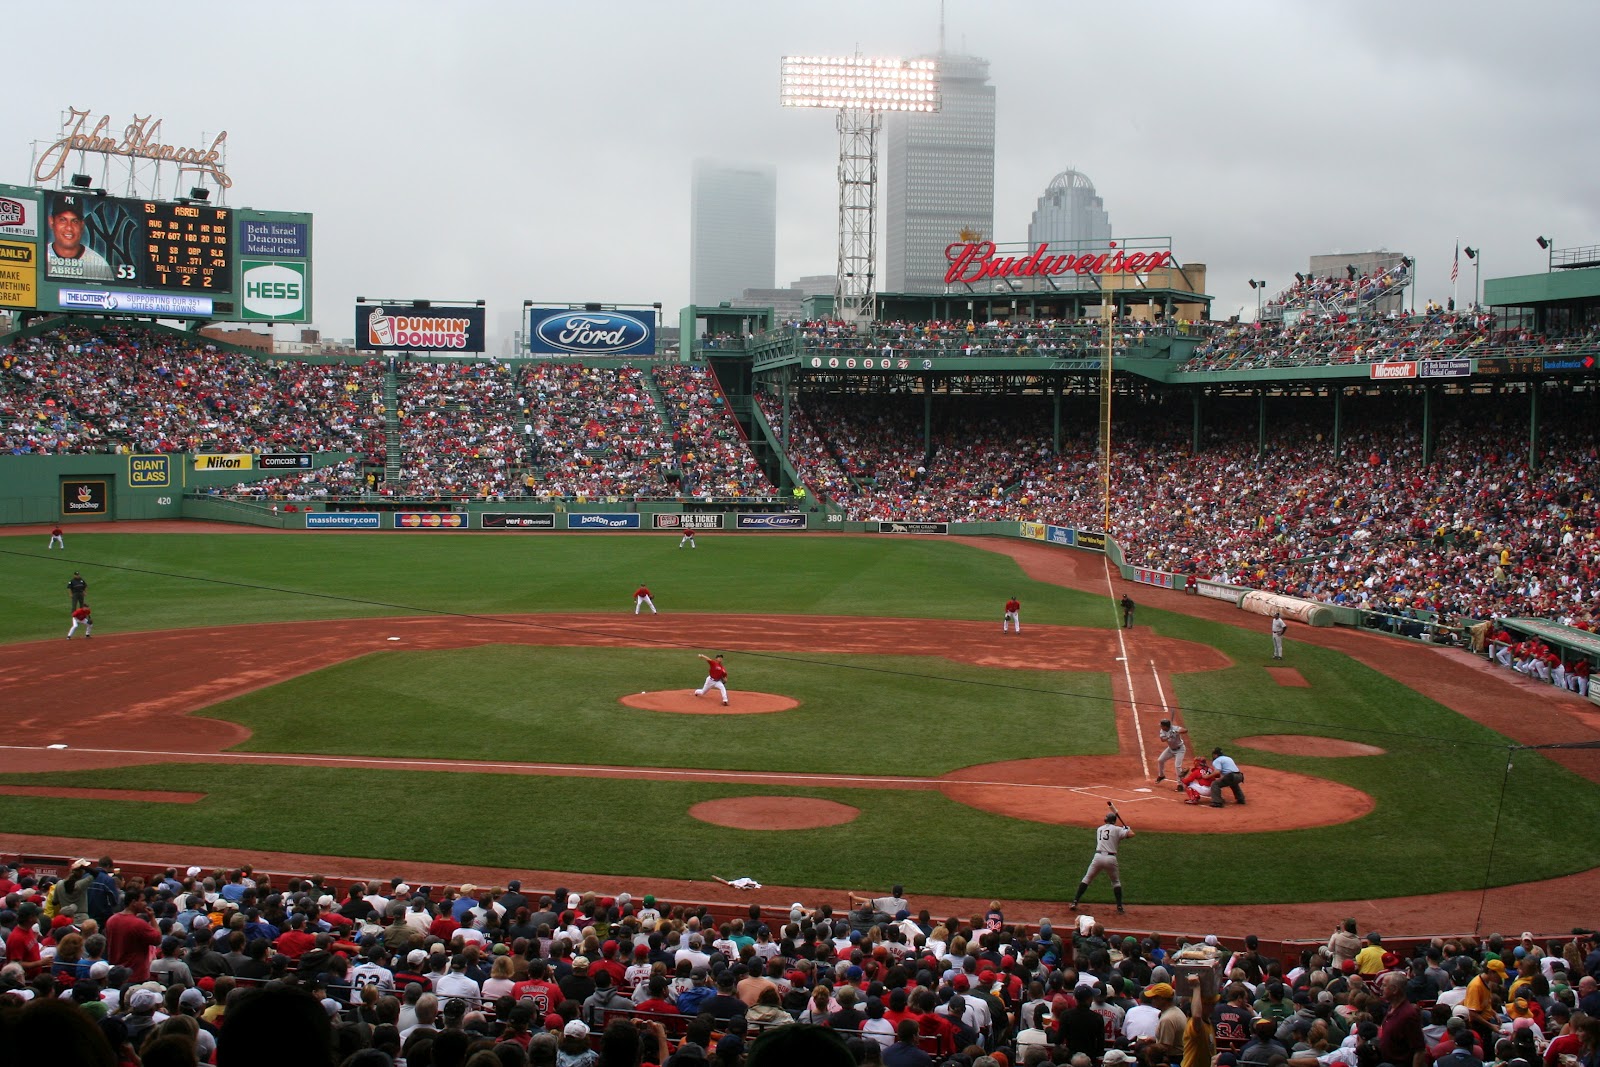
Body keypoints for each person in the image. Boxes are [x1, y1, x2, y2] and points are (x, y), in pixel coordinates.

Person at [1070, 811, 1133, 914]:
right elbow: (1131, 835)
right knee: (1116, 882)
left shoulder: (1099, 829)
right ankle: (1119, 907)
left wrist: (1123, 830)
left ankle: (1075, 901)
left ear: (1106, 820)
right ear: (1114, 821)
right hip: (1110, 859)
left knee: (1087, 878)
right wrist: (1127, 829)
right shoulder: (1117, 830)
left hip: (1098, 857)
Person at [46, 194, 115, 281]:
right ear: (52, 221)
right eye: (62, 220)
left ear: (82, 225)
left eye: (75, 221)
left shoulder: (98, 264)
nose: (69, 228)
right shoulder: (40, 257)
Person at [1154, 719, 1188, 786]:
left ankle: (1180, 785)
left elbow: (1185, 730)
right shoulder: (1162, 731)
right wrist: (1169, 736)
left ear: (1165, 726)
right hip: (1170, 749)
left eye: (1162, 726)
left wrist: (1176, 731)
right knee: (1160, 760)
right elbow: (1162, 740)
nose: (1161, 727)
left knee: (1177, 766)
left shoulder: (1174, 728)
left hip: (1180, 749)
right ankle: (1161, 775)